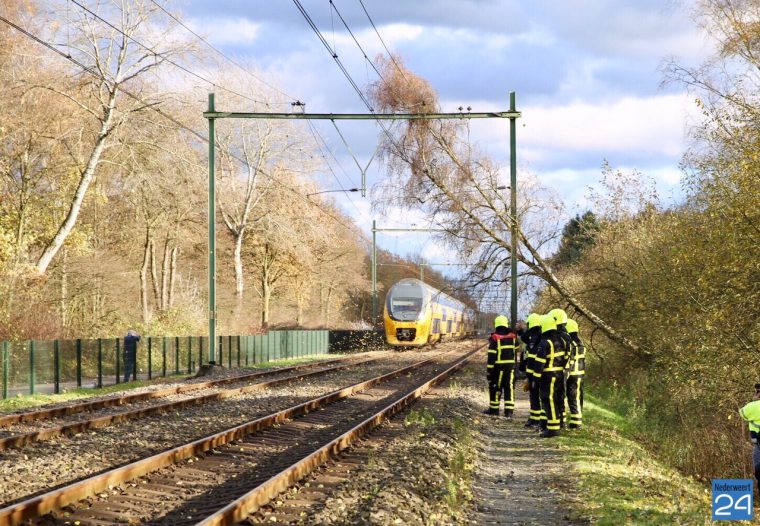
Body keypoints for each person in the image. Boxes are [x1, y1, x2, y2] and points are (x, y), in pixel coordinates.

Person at [533, 313, 568, 438]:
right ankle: (556, 424)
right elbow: (567, 358)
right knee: (558, 398)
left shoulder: (545, 342)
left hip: (548, 375)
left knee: (548, 399)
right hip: (559, 374)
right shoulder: (562, 340)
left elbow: (540, 362)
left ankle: (552, 428)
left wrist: (535, 378)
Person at [484, 315, 519, 418]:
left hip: (498, 369)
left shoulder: (495, 338)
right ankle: (509, 412)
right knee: (509, 388)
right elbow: (516, 347)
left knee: (495, 388)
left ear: (496, 325)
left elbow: (491, 356)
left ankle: (494, 410)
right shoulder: (513, 337)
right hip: (510, 368)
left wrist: (489, 371)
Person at [519, 313, 544, 428]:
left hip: (535, 372)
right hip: (535, 371)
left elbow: (531, 356)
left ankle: (535, 419)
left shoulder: (534, 337)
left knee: (535, 395)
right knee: (536, 395)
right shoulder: (538, 336)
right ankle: (535, 418)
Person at [739, 384, 760, 492]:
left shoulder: (752, 406)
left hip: (758, 444)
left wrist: (754, 400)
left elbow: (742, 413)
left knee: (758, 469)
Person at [565, 318, 586, 429]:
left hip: (572, 374)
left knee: (572, 397)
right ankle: (576, 420)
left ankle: (576, 423)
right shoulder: (581, 343)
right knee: (578, 397)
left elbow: (569, 360)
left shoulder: (570, 343)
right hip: (580, 374)